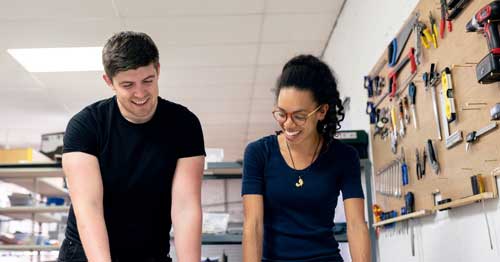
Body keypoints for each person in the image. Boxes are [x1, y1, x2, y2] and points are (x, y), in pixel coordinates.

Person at [58, 31, 205, 262]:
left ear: (158, 70)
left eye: (148, 81)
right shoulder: (86, 125)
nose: (140, 93)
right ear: (109, 81)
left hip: (150, 252)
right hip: (87, 253)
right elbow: (89, 207)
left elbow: (185, 207)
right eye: (127, 84)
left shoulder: (184, 125)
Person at [242, 55, 370, 262]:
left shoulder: (344, 157)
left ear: (321, 111)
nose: (288, 124)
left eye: (299, 116)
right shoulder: (258, 153)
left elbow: (356, 225)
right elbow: (253, 225)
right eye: (281, 113)